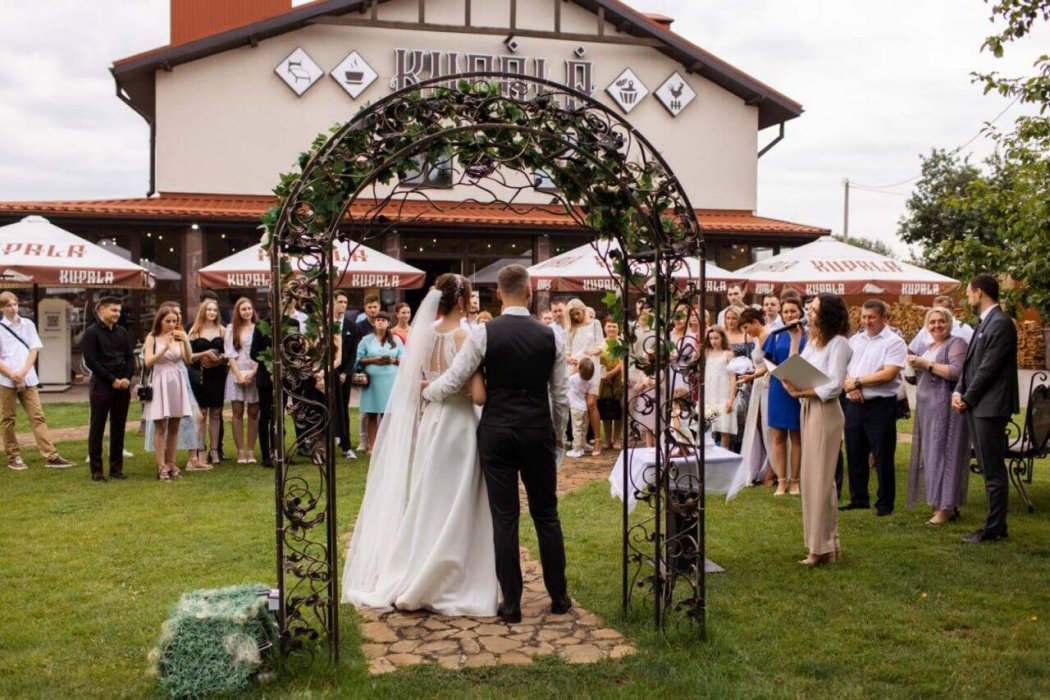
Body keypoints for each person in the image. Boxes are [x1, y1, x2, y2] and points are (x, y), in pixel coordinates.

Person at [423, 264, 571, 624]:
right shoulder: (552, 335)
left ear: (499, 293)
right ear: (531, 290)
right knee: (546, 515)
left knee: (504, 518)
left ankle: (512, 604)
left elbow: (456, 377)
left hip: (497, 432)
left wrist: (426, 392)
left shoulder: (483, 334)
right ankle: (559, 596)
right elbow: (562, 396)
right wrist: (558, 436)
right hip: (536, 431)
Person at [343, 273, 498, 615]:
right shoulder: (463, 336)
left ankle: (416, 567)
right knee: (458, 501)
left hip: (430, 423)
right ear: (462, 301)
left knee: (428, 497)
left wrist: (431, 387)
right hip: (458, 426)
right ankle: (449, 574)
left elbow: (412, 384)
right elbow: (478, 394)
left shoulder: (422, 335)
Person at [781, 293, 852, 566]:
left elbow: (834, 385)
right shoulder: (813, 341)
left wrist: (804, 392)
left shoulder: (839, 344)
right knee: (809, 479)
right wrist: (795, 341)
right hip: (808, 408)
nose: (808, 314)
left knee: (822, 481)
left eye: (813, 311)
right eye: (809, 310)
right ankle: (818, 545)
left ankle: (824, 547)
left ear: (828, 314)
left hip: (825, 412)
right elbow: (796, 366)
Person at [953, 273, 1018, 543]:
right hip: (978, 404)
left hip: (989, 407)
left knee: (992, 470)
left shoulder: (1000, 323)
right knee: (987, 466)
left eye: (969, 293)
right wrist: (958, 390)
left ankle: (994, 529)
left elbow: (988, 368)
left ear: (979, 293)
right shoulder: (984, 323)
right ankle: (996, 526)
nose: (968, 298)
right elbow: (970, 364)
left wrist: (967, 397)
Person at [841, 300, 907, 516]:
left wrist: (858, 381)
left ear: (883, 317)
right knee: (854, 452)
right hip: (854, 403)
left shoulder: (894, 342)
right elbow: (843, 368)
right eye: (863, 316)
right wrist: (850, 386)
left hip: (880, 405)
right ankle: (858, 498)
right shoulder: (855, 340)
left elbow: (888, 373)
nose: (866, 321)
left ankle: (885, 504)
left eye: (871, 317)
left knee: (882, 455)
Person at [906, 307, 970, 524]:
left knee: (946, 454)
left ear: (949, 323)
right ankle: (939, 503)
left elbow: (956, 371)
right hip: (926, 409)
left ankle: (946, 508)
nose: (936, 326)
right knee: (932, 457)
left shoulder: (957, 343)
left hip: (945, 408)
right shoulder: (929, 346)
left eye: (941, 321)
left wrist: (927, 364)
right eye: (932, 322)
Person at [0, 292, 74, 470]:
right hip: (5, 378)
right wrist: (13, 375)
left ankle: (50, 455)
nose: (13, 307)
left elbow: (34, 349)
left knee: (37, 416)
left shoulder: (28, 324)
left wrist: (23, 372)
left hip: (29, 377)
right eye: (9, 305)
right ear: (2, 308)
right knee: (8, 418)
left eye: (15, 304)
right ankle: (14, 456)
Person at [82, 296, 135, 482]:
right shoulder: (91, 333)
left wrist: (127, 378)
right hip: (102, 385)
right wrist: (112, 380)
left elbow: (130, 358)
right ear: (101, 310)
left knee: (118, 427)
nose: (117, 314)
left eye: (119, 311)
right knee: (97, 426)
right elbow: (91, 361)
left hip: (123, 385)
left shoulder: (122, 332)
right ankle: (97, 470)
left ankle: (116, 468)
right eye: (114, 310)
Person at [143, 305, 193, 481]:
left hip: (176, 380)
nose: (171, 324)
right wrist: (165, 348)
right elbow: (148, 362)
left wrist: (185, 340)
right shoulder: (152, 337)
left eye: (174, 321)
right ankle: (161, 465)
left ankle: (171, 463)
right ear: (160, 321)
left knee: (175, 425)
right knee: (160, 425)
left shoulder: (180, 336)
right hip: (160, 379)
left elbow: (188, 360)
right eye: (168, 321)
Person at [763, 296, 806, 495]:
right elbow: (767, 360)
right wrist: (777, 373)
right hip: (778, 387)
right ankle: (781, 481)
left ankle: (795, 480)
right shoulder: (776, 334)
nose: (789, 315)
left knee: (796, 436)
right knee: (778, 436)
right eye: (786, 312)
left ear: (800, 312)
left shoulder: (807, 335)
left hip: (798, 387)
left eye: (793, 311)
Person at [355, 310, 404, 452]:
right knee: (371, 413)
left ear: (388, 323)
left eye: (383, 320)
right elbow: (357, 359)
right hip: (372, 383)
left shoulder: (396, 340)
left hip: (391, 380)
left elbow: (404, 359)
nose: (380, 322)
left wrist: (393, 360)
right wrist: (373, 360)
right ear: (374, 323)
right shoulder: (366, 340)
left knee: (387, 414)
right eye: (378, 320)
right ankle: (373, 447)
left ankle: (387, 447)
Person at [187, 298, 226, 465]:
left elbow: (229, 354)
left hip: (217, 374)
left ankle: (215, 450)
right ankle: (201, 449)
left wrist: (220, 359)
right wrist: (204, 354)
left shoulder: (223, 330)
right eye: (209, 309)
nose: (212, 312)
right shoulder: (194, 331)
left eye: (214, 310)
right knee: (201, 414)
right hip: (200, 375)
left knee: (216, 413)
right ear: (203, 311)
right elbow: (187, 357)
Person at [737, 307, 773, 484]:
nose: (747, 332)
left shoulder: (766, 335)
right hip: (758, 383)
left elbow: (769, 364)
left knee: (766, 426)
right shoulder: (759, 338)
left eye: (746, 327)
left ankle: (771, 470)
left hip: (766, 383)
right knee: (758, 426)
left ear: (755, 322)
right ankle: (762, 466)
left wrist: (752, 375)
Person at [566, 298, 604, 456]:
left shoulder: (595, 324)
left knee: (591, 404)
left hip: (591, 367)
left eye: (578, 313)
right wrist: (569, 359)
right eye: (573, 315)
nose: (576, 317)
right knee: (576, 407)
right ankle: (579, 442)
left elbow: (601, 345)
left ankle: (597, 441)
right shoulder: (571, 328)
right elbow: (567, 350)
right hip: (575, 369)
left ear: (583, 309)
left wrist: (591, 352)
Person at [224, 297, 260, 464]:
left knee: (253, 413)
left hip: (254, 372)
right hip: (236, 371)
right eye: (243, 309)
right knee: (237, 412)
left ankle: (251, 451)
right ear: (238, 312)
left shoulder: (259, 328)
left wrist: (253, 373)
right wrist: (238, 375)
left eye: (249, 308)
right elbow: (229, 353)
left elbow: (263, 353)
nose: (247, 311)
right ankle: (240, 452)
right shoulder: (231, 329)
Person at [703, 326, 737, 449]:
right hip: (710, 393)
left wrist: (731, 398)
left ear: (722, 338)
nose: (713, 341)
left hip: (723, 393)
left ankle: (725, 453)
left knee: (724, 427)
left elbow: (733, 377)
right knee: (709, 427)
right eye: (711, 338)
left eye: (716, 338)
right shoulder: (707, 353)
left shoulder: (728, 354)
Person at [356, 294, 380, 452]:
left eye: (375, 307)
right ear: (365, 309)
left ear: (379, 308)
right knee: (366, 409)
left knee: (381, 408)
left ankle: (379, 440)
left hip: (382, 373)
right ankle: (363, 440)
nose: (372, 310)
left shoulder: (384, 323)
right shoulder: (359, 326)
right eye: (369, 307)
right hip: (365, 372)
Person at [910, 294, 974, 353]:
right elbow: (912, 350)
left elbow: (975, 350)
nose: (939, 313)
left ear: (952, 309)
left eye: (943, 310)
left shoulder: (964, 329)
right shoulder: (926, 329)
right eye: (936, 310)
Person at [597, 317, 624, 450]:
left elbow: (622, 361)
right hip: (603, 380)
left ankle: (617, 439)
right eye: (609, 326)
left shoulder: (621, 344)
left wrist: (612, 373)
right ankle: (607, 439)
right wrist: (605, 374)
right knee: (606, 407)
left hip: (618, 379)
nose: (611, 329)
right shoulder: (600, 343)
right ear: (604, 328)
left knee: (618, 409)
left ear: (618, 328)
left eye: (614, 326)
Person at [567, 357, 595, 458]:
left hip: (575, 407)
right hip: (584, 407)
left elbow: (566, 382)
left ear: (579, 369)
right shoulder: (590, 382)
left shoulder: (573, 378)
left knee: (577, 428)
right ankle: (583, 444)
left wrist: (574, 369)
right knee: (584, 427)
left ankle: (577, 449)